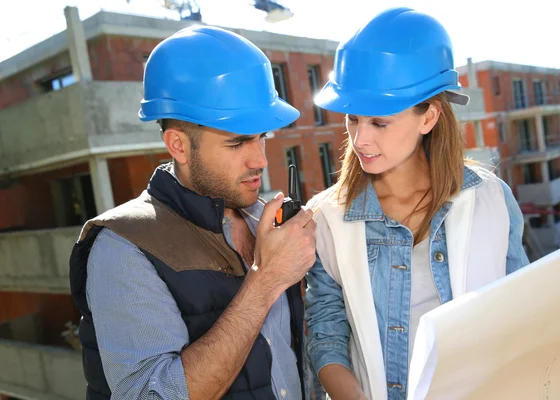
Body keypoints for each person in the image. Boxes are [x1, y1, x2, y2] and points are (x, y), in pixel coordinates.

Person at [69, 25, 316, 400]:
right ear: (179, 146)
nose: (261, 160)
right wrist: (265, 281)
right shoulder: (124, 249)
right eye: (237, 142)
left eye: (262, 137)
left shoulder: (260, 219)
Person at [304, 7, 530, 400]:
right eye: (352, 119)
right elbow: (326, 336)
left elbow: (525, 309)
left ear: (428, 117)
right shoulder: (326, 219)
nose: (360, 140)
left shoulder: (491, 199)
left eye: (379, 123)